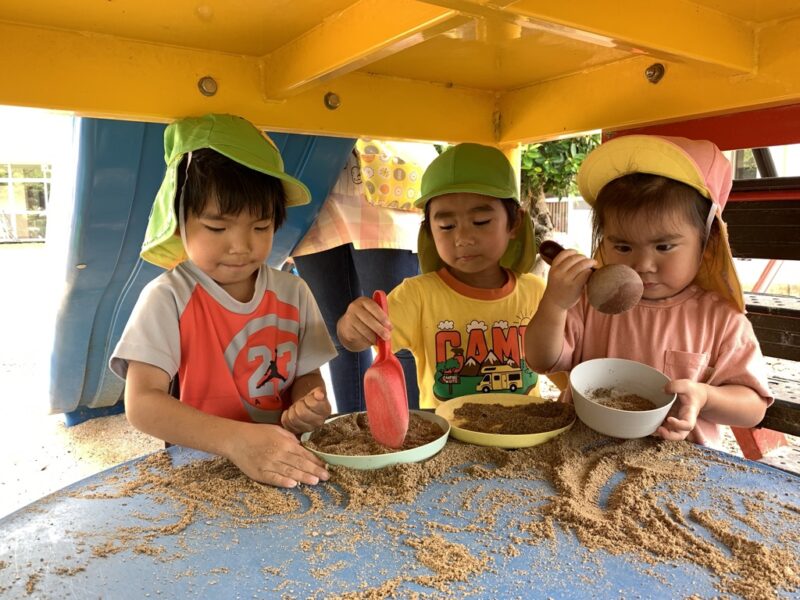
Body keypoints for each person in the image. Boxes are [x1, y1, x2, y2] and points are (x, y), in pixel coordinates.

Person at [110, 114, 337, 488]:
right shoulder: (168, 297)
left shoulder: (293, 292)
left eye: (260, 227)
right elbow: (142, 403)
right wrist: (236, 440)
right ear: (179, 221)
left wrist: (306, 405)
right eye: (217, 227)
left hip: (283, 461)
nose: (241, 246)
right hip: (203, 468)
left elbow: (306, 374)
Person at [524, 134, 772, 448]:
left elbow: (753, 407)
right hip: (578, 450)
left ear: (706, 244)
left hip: (676, 461)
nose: (643, 264)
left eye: (664, 246)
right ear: (603, 244)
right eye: (623, 246)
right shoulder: (588, 302)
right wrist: (555, 304)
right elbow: (539, 359)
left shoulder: (721, 319)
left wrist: (705, 396)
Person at [336, 143, 546, 408]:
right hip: (449, 439)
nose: (463, 238)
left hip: (526, 434)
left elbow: (561, 361)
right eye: (446, 226)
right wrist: (352, 326)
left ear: (514, 222)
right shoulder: (417, 295)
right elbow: (358, 340)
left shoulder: (537, 292)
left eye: (480, 221)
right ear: (429, 231)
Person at [292, 140, 438, 412]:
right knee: (337, 339)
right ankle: (354, 435)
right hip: (309, 184)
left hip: (386, 170)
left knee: (397, 336)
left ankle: (419, 437)